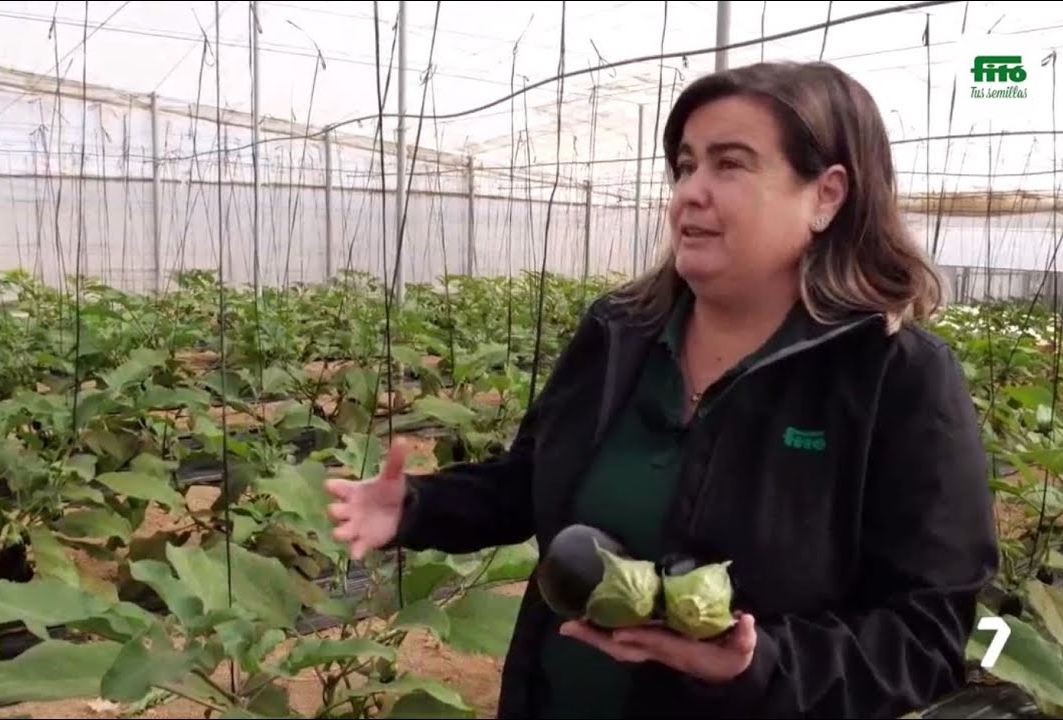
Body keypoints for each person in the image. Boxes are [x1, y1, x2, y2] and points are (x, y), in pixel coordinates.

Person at [325, 59, 999, 720]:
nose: (690, 192)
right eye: (685, 165)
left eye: (729, 164)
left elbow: (925, 636)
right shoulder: (622, 331)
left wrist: (757, 664)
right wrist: (413, 508)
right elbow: (534, 479)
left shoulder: (894, 376)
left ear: (826, 195)